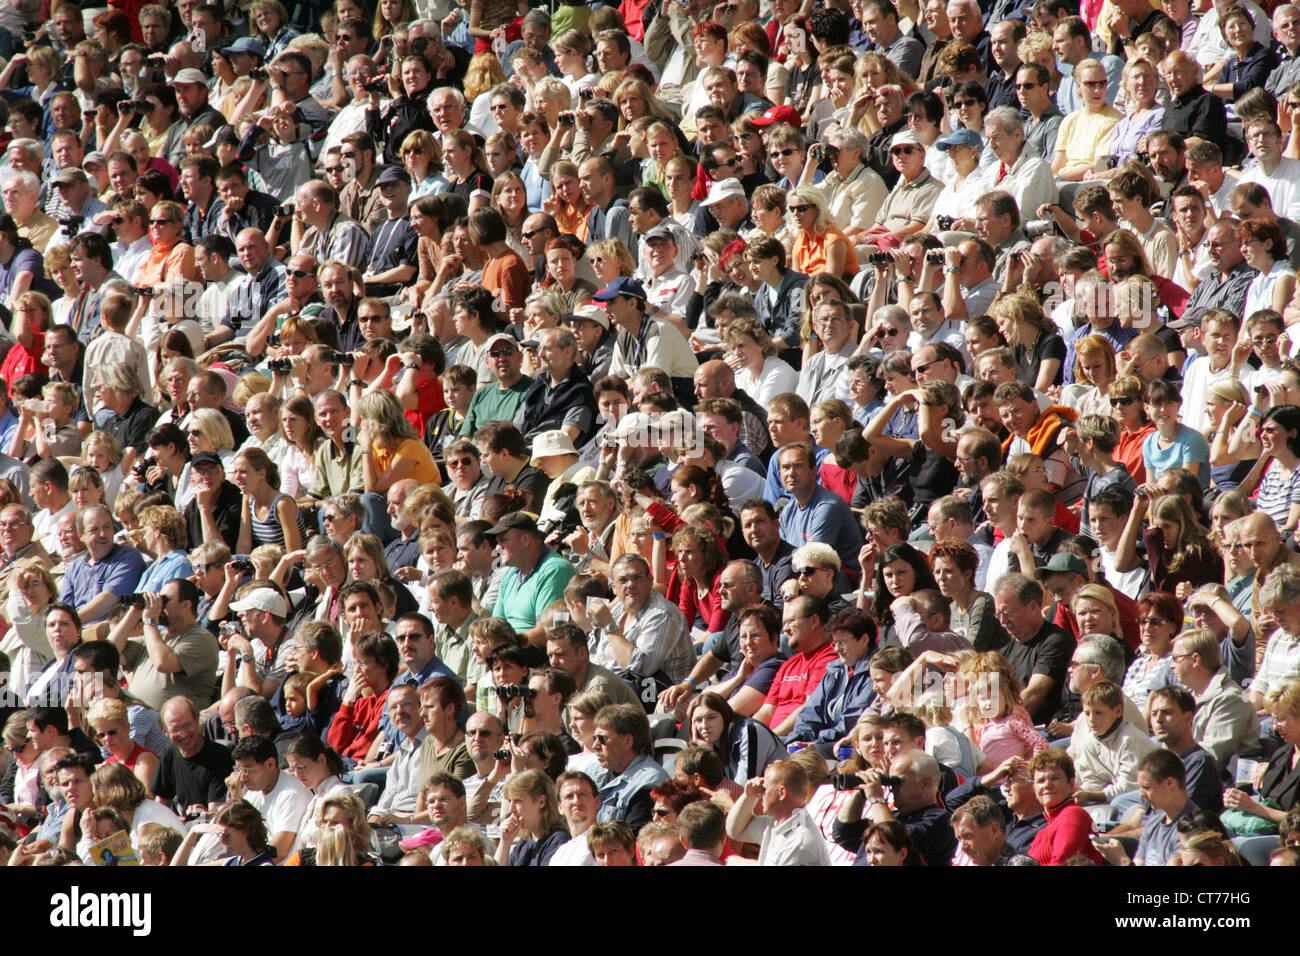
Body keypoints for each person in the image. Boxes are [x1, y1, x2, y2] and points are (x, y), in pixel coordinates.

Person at [725, 759, 831, 865]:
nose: (761, 794)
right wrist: (750, 795)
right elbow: (735, 831)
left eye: (764, 789)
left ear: (781, 793)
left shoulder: (799, 844)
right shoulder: (775, 823)